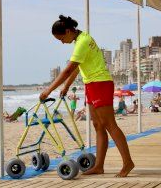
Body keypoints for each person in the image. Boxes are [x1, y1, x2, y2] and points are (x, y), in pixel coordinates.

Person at [39, 15, 134, 177]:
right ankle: (99, 166)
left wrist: (48, 90)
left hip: (100, 83)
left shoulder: (83, 41)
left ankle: (128, 163)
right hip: (91, 84)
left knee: (110, 124)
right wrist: (67, 86)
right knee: (98, 125)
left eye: (61, 38)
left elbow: (68, 69)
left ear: (68, 31)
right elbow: (78, 66)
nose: (61, 42)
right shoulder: (80, 40)